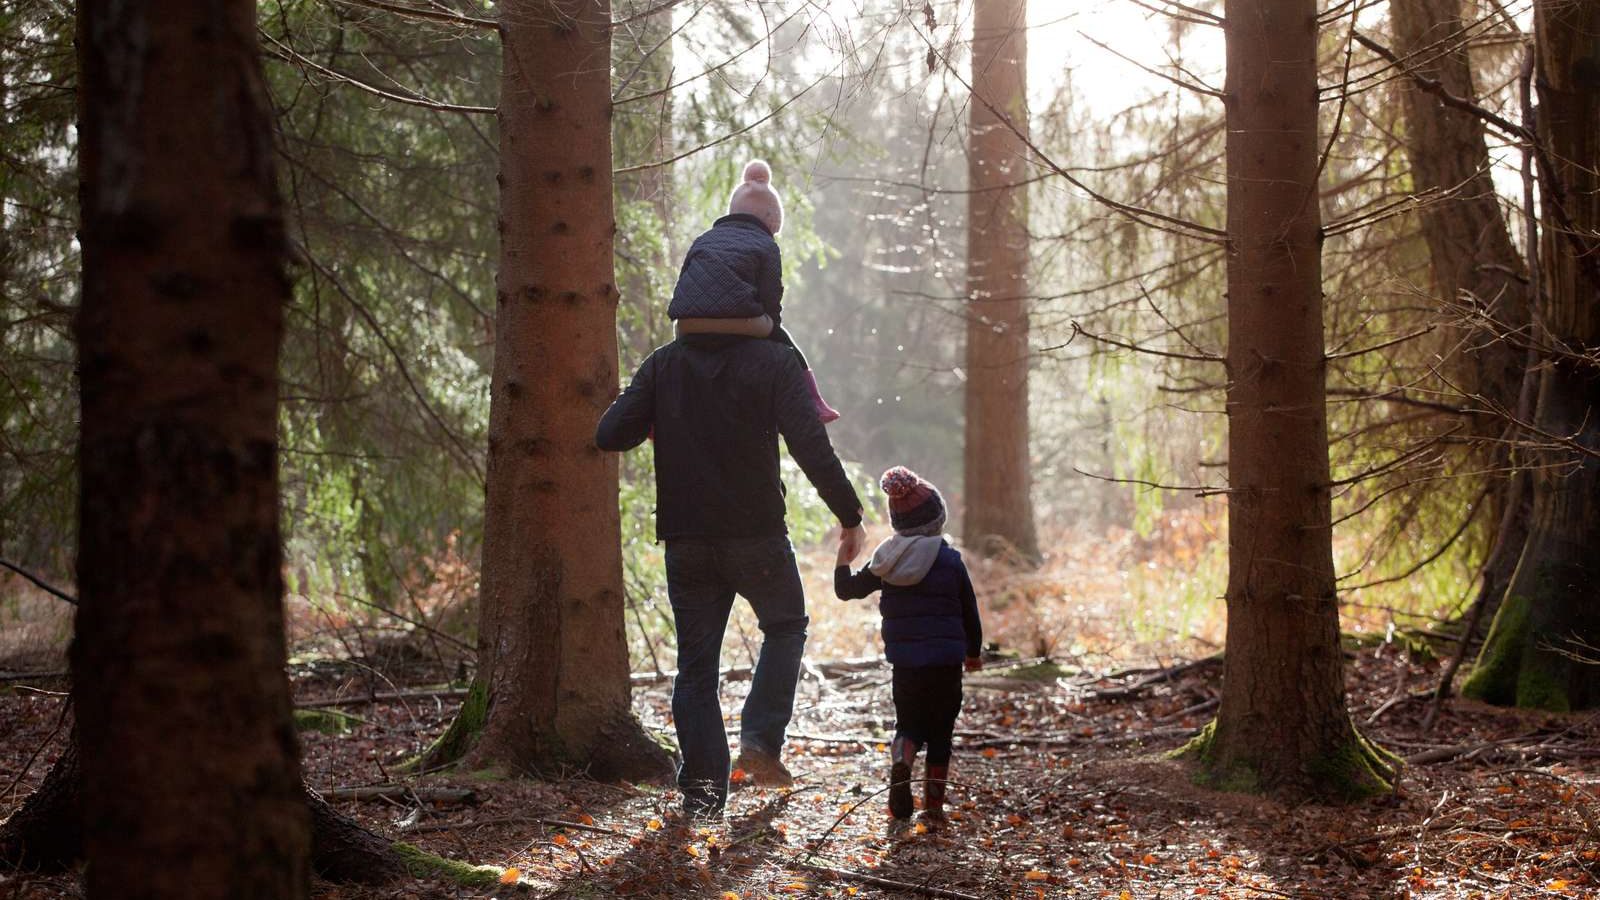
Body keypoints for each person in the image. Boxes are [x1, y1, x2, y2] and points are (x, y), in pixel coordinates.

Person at [595, 318, 866, 820]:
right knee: (786, 627)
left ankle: (702, 799)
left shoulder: (664, 364)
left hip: (687, 541)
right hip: (757, 537)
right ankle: (760, 739)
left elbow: (610, 434)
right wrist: (849, 516)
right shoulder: (775, 362)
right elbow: (810, 445)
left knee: (695, 671)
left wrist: (658, 410)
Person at [834, 466, 982, 822]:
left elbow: (846, 590)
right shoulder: (949, 560)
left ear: (897, 521)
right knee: (941, 732)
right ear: (937, 518)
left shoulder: (886, 560)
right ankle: (933, 809)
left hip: (906, 664)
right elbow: (969, 611)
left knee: (908, 724)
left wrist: (843, 555)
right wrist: (973, 653)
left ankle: (902, 759)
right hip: (946, 664)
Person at [667, 159, 841, 423]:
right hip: (738, 321)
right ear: (769, 220)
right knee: (786, 344)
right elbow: (771, 297)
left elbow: (684, 282)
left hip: (687, 325)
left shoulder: (703, 240)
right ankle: (814, 402)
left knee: (675, 361)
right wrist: (773, 329)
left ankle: (658, 413)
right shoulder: (766, 245)